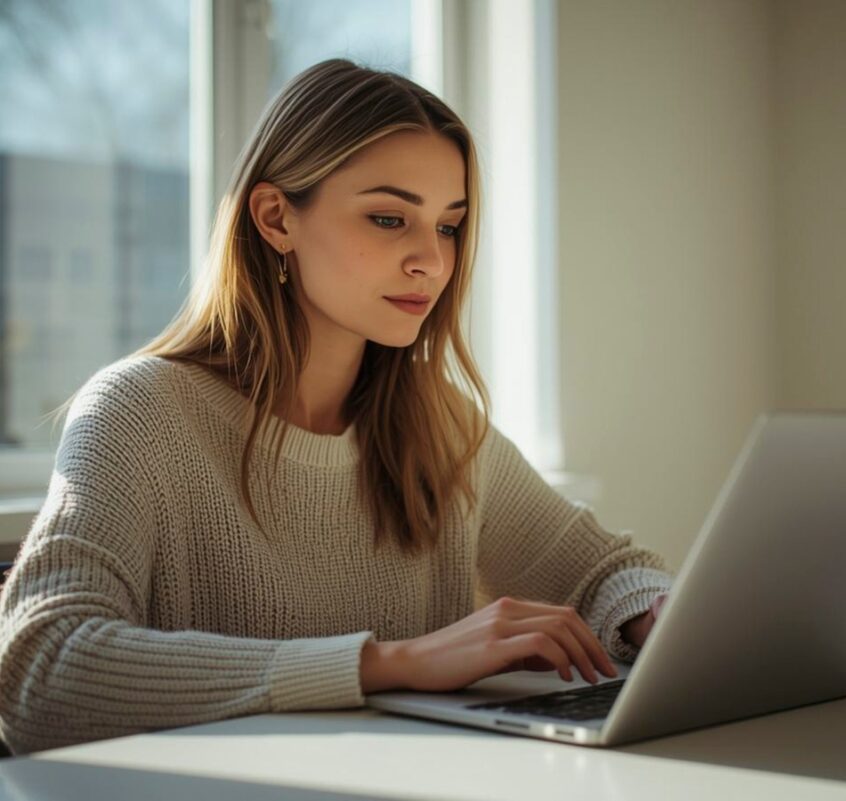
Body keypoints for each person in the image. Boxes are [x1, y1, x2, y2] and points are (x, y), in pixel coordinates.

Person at [0, 58, 674, 755]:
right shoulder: (140, 413)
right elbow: (38, 669)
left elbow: (603, 573)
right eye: (389, 218)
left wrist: (657, 616)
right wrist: (390, 662)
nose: (432, 262)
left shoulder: (436, 423)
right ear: (274, 217)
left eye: (448, 225)